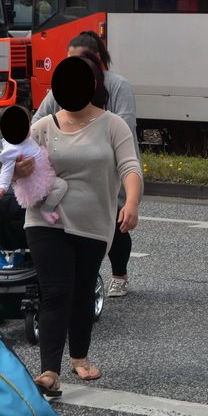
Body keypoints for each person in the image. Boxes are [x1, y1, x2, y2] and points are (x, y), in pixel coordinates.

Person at [15, 54, 142, 397]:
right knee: (56, 292)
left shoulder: (113, 124)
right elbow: (14, 165)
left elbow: (131, 168)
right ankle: (50, 372)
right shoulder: (42, 127)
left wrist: (130, 203)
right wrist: (20, 171)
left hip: (94, 223)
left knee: (83, 289)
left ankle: (80, 357)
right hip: (44, 220)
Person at [33, 31, 139, 299]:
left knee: (115, 221)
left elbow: (124, 127)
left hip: (106, 162)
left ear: (99, 60)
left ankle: (119, 274)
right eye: (69, 60)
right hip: (69, 164)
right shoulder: (63, 87)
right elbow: (38, 121)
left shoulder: (117, 86)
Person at [1, 105, 67, 224]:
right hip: (37, 180)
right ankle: (46, 209)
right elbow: (6, 170)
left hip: (41, 173)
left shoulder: (26, 139)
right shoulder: (12, 150)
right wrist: (3, 187)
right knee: (61, 186)